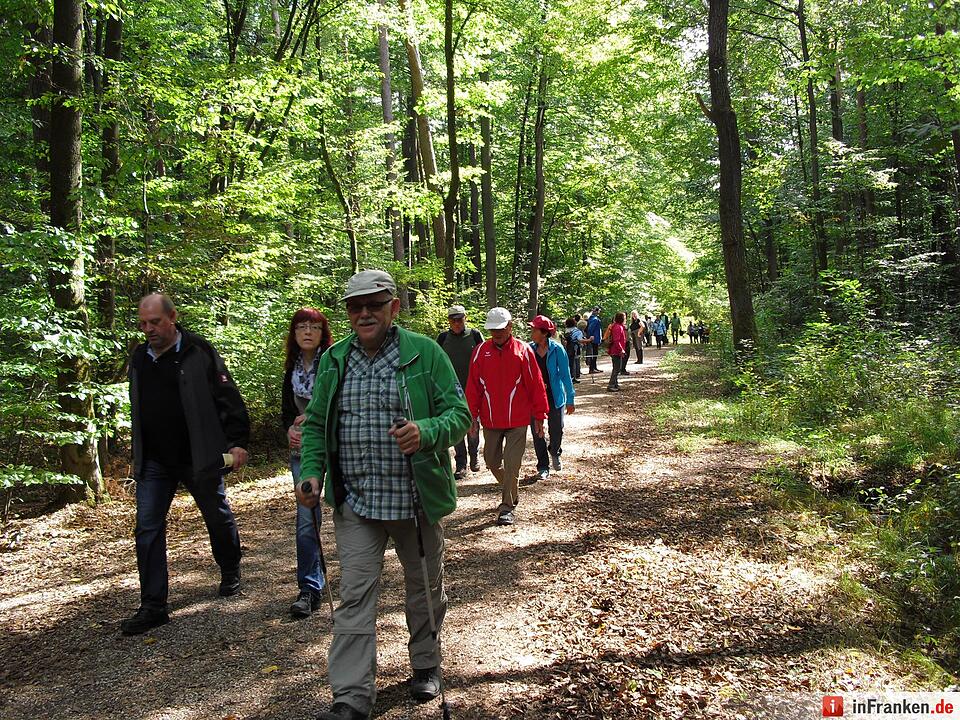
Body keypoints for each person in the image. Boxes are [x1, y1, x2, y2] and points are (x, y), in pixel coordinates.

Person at [296, 270, 470, 720]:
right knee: (354, 595)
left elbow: (460, 415)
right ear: (348, 313)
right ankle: (352, 697)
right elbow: (315, 425)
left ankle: (426, 664)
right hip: (356, 501)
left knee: (425, 588)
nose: (365, 313)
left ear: (394, 307)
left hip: (415, 499)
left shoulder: (425, 354)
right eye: (356, 306)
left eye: (375, 304)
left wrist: (426, 431)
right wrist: (313, 473)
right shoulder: (334, 360)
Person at [121, 294, 249, 636]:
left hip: (198, 454)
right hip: (154, 461)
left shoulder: (198, 351)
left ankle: (229, 566)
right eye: (143, 323)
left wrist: (237, 442)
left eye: (155, 322)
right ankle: (153, 605)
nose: (148, 329)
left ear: (172, 317)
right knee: (147, 528)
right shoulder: (139, 358)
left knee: (216, 514)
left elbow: (227, 396)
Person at [466, 307, 548, 527]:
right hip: (491, 420)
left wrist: (539, 415)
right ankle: (512, 487)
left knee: (512, 464)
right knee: (491, 462)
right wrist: (471, 416)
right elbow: (473, 387)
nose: (497, 333)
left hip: (518, 420)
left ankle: (507, 507)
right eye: (493, 330)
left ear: (510, 326)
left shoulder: (523, 351)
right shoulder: (480, 351)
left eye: (501, 328)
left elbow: (536, 384)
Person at [282, 308, 333, 619]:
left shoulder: (335, 363)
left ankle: (360, 577)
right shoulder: (290, 369)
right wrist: (290, 427)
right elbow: (286, 412)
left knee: (348, 512)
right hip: (303, 452)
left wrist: (314, 418)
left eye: (314, 326)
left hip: (336, 446)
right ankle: (309, 588)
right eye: (302, 327)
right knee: (306, 517)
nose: (308, 332)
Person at [436, 304, 484, 480]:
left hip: (473, 388)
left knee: (473, 424)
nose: (456, 323)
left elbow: (485, 357)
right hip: (451, 390)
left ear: (465, 318)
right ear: (449, 321)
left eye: (459, 319)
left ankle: (474, 455)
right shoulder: (442, 338)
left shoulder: (475, 335)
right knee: (456, 426)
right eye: (453, 320)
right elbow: (436, 360)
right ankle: (461, 464)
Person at [528, 315, 575, 481]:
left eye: (534, 329)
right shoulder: (529, 350)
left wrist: (570, 398)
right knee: (537, 432)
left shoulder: (557, 349)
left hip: (555, 397)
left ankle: (555, 451)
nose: (532, 331)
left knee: (557, 429)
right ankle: (542, 466)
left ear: (544, 333)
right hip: (535, 398)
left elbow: (565, 375)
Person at [606, 312, 628, 392]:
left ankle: (615, 384)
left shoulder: (617, 326)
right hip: (616, 351)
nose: (625, 319)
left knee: (616, 367)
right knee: (616, 368)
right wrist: (621, 349)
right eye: (624, 317)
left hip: (616, 350)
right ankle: (611, 385)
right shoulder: (618, 327)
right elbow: (616, 340)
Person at [563, 317, 585, 383]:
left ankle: (570, 377)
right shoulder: (576, 331)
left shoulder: (566, 330)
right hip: (574, 347)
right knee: (574, 362)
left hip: (567, 347)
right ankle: (573, 377)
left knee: (569, 362)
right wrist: (589, 340)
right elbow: (579, 339)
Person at [586, 308, 603, 373]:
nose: (598, 312)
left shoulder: (593, 319)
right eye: (598, 311)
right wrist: (590, 336)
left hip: (595, 338)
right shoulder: (595, 320)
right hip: (594, 339)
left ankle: (594, 367)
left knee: (594, 353)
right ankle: (592, 368)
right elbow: (590, 329)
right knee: (594, 354)